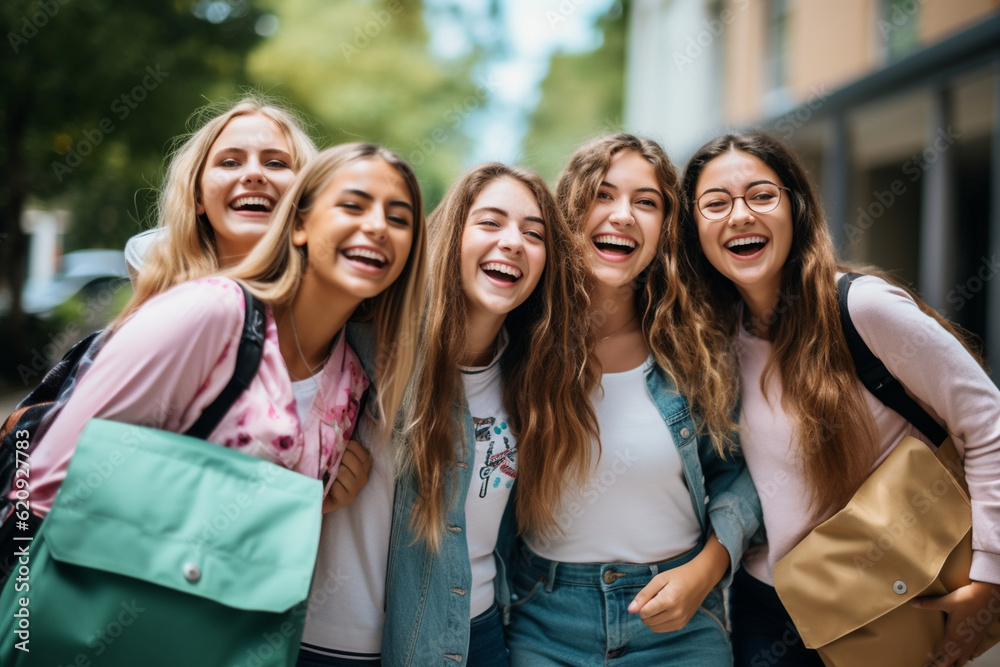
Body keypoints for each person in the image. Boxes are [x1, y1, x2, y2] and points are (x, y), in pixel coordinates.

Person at [674, 130, 1000, 667]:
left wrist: (991, 575)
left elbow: (986, 424)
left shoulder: (864, 309)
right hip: (768, 610)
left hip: (888, 595)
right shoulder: (714, 342)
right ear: (695, 231)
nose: (739, 216)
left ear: (796, 210)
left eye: (761, 195)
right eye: (715, 204)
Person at [298, 164, 597, 667]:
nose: (513, 242)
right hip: (331, 645)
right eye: (490, 223)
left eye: (533, 233)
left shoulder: (535, 381)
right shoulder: (367, 340)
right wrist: (313, 479)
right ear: (449, 236)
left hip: (469, 641)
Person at [28, 143, 426, 521]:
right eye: (353, 206)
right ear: (299, 224)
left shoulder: (351, 383)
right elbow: (46, 478)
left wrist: (311, 504)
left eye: (398, 218)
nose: (377, 227)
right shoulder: (210, 311)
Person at [504, 133, 761, 667]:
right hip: (545, 620)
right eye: (602, 194)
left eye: (646, 202)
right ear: (569, 211)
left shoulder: (699, 346)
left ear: (666, 229)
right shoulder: (517, 340)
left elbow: (745, 472)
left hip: (680, 620)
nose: (623, 215)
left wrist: (706, 571)